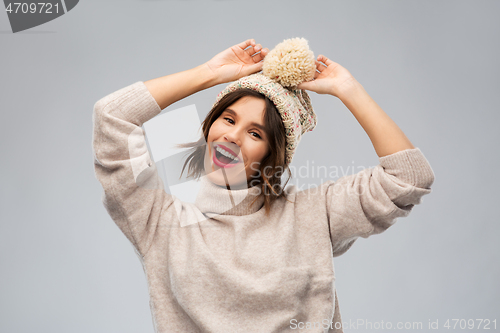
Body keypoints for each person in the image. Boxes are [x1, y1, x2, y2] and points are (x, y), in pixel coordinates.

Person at [92, 38, 435, 333]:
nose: (232, 137)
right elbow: (111, 117)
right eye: (228, 119)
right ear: (209, 126)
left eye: (255, 133)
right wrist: (209, 74)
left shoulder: (313, 215)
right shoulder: (161, 221)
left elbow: (408, 177)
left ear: (273, 156)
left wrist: (348, 89)